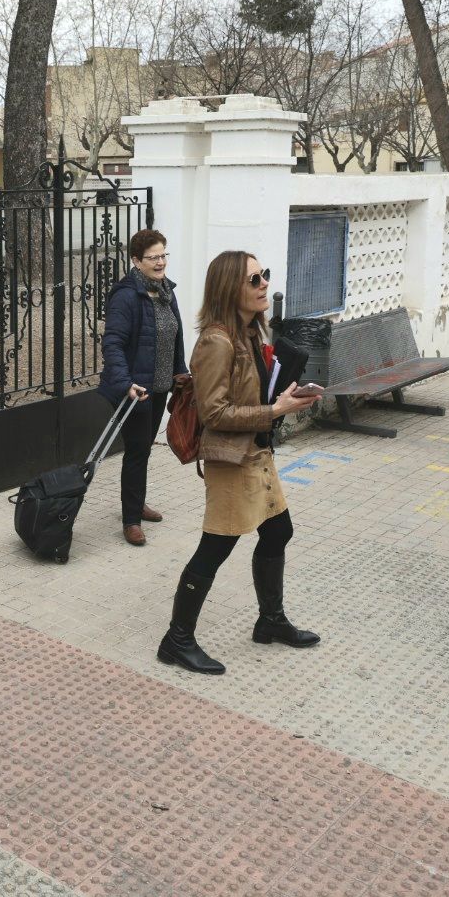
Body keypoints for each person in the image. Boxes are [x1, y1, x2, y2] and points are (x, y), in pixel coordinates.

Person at [156, 251, 321, 675]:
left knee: (278, 530)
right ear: (231, 288)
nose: (265, 283)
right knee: (215, 548)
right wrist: (274, 412)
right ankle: (177, 640)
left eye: (264, 275)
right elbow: (213, 413)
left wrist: (285, 397)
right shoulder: (216, 341)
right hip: (231, 459)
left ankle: (270, 620)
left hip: (256, 450)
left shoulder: (247, 333)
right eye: (254, 279)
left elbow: (252, 395)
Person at [100, 229, 189, 546]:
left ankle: (135, 502)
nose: (161, 261)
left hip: (160, 385)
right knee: (136, 452)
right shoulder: (126, 296)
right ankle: (131, 520)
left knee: (144, 447)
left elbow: (174, 335)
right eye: (153, 257)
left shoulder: (166, 290)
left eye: (164, 255)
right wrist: (126, 384)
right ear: (136, 261)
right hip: (134, 389)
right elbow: (113, 344)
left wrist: (181, 372)